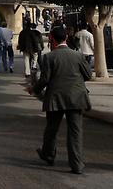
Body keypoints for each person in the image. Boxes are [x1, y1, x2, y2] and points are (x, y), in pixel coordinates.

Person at [29, 25, 92, 175]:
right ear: (66, 38)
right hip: (76, 97)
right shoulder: (78, 55)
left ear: (52, 39)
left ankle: (49, 154)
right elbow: (88, 75)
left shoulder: (48, 57)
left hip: (55, 98)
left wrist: (34, 89)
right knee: (75, 131)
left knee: (52, 129)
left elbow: (45, 80)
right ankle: (76, 164)